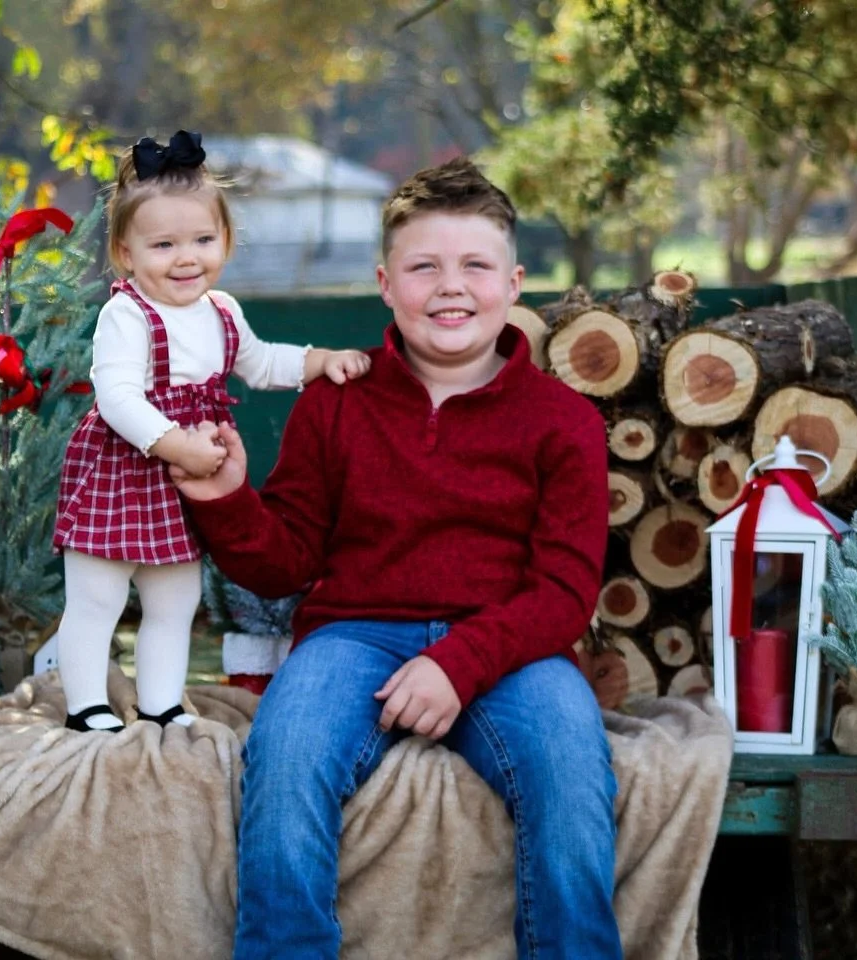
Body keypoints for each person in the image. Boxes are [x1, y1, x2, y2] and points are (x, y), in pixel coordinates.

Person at [173, 158, 621, 959]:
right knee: (286, 760)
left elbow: (564, 592)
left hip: (515, 648)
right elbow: (286, 562)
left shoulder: (564, 422)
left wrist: (457, 663)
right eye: (424, 268)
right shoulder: (337, 399)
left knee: (571, 771)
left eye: (475, 266)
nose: (451, 287)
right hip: (353, 637)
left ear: (514, 283)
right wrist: (228, 500)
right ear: (386, 283)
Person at [51, 130, 372, 733]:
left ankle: (162, 703)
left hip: (186, 483)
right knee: (98, 601)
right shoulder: (127, 314)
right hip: (122, 476)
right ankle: (86, 705)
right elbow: (117, 398)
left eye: (203, 239)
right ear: (126, 253)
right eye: (164, 244)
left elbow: (261, 363)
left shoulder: (222, 312)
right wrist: (177, 445)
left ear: (225, 239)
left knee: (176, 601)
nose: (186, 257)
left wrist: (319, 361)